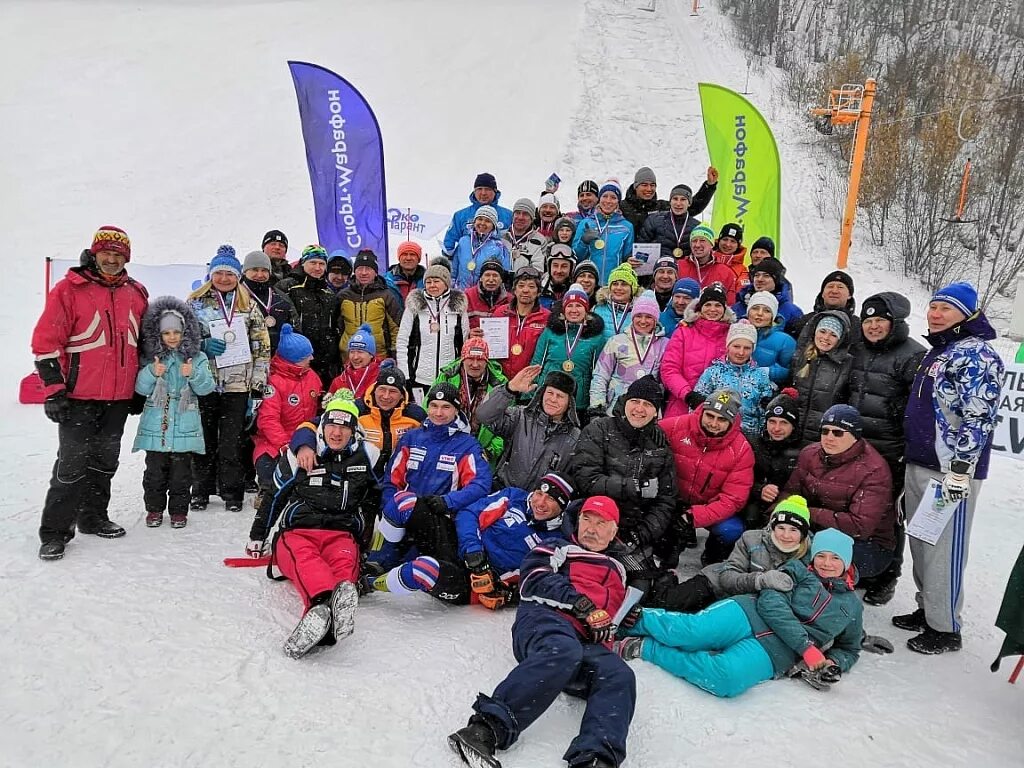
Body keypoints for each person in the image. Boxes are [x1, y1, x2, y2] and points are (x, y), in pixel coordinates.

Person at [448, 496, 634, 768]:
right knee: (563, 650)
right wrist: (582, 606)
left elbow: (617, 613)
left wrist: (626, 618)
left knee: (619, 674)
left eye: (600, 523)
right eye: (586, 520)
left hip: (586, 642)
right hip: (546, 620)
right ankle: (485, 730)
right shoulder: (559, 547)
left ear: (614, 531)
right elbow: (534, 578)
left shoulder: (619, 570)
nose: (591, 529)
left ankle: (595, 758)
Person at [615, 528, 863, 699]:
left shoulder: (852, 606)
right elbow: (770, 602)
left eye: (835, 558)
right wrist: (806, 647)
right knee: (692, 633)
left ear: (847, 562)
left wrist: (834, 662)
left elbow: (849, 648)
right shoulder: (798, 570)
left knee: (726, 680)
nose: (826, 563)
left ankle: (644, 648)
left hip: (776, 652)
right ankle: (627, 620)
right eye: (821, 555)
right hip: (749, 613)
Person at [897, 282, 1003, 654]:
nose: (935, 313)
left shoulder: (976, 355)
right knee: (923, 540)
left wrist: (962, 467)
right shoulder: (941, 350)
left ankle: (946, 627)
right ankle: (928, 608)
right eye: (934, 306)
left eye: (946, 308)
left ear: (967, 314)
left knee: (945, 548)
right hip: (921, 460)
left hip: (950, 471)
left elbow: (979, 416)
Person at [34, 226, 149, 559]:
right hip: (78, 397)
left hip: (118, 396)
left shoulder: (136, 292)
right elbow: (45, 341)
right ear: (94, 254)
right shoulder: (70, 289)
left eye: (118, 255)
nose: (111, 260)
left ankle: (93, 517)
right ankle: (55, 531)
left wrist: (139, 387)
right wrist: (54, 390)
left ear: (126, 258)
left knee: (104, 462)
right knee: (71, 465)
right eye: (106, 254)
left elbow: (143, 344)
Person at [247, 397, 377, 659]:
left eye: (344, 427)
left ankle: (329, 617)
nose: (337, 433)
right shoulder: (301, 453)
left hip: (341, 532)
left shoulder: (368, 455)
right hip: (298, 531)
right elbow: (274, 496)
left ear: (354, 430)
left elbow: (376, 500)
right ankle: (320, 605)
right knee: (308, 562)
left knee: (344, 565)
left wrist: (367, 543)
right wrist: (257, 536)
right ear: (322, 425)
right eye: (331, 426)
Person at [366, 383, 492, 605]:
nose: (438, 413)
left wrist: (448, 501)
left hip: (439, 521)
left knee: (416, 564)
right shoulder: (412, 438)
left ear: (456, 410)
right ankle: (374, 565)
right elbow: (391, 480)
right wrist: (388, 508)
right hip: (404, 519)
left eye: (445, 407)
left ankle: (376, 580)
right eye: (433, 405)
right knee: (396, 518)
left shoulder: (466, 445)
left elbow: (481, 485)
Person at [847, 291, 926, 605]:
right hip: (854, 447)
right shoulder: (857, 349)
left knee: (888, 515)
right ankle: (859, 567)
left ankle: (888, 575)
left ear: (895, 322)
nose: (873, 326)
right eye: (868, 320)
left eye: (880, 320)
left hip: (891, 449)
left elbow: (920, 408)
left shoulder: (913, 354)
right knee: (855, 510)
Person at [187, 246, 271, 513]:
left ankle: (231, 491)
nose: (224, 278)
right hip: (205, 382)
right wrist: (201, 344)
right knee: (203, 438)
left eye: (230, 274)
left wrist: (257, 385)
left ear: (238, 277)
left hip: (238, 384)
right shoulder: (194, 304)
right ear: (211, 274)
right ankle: (200, 490)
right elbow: (179, 342)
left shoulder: (248, 306)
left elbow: (262, 347)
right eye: (219, 273)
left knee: (232, 441)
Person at [573, 376, 677, 583]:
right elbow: (587, 480)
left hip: (633, 530)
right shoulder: (600, 429)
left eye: (647, 404)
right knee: (585, 578)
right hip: (595, 519)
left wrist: (642, 534)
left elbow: (666, 500)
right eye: (635, 401)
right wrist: (633, 486)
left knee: (642, 587)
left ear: (656, 411)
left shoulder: (659, 444)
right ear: (625, 402)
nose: (639, 409)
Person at [784, 404, 896, 584]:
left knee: (813, 562)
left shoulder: (873, 470)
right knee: (775, 543)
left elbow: (859, 527)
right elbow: (790, 492)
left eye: (838, 433)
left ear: (855, 437)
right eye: (825, 431)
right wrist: (781, 515)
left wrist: (806, 512)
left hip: (867, 544)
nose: (829, 438)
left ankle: (826, 604)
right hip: (818, 530)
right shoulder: (809, 454)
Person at [646, 495, 812, 614]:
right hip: (716, 584)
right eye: (781, 528)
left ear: (803, 534)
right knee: (662, 605)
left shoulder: (807, 555)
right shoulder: (752, 538)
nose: (785, 535)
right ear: (772, 527)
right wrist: (759, 580)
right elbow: (728, 577)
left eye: (794, 530)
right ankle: (666, 579)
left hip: (747, 606)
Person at [133, 297, 215, 529]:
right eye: (166, 333)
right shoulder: (152, 359)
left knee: (181, 476)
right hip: (155, 427)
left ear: (185, 332)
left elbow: (206, 387)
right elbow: (140, 388)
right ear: (158, 334)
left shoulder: (196, 358)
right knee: (154, 475)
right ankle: (154, 509)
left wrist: (192, 374)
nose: (172, 337)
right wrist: (151, 371)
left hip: (184, 425)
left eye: (176, 332)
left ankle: (179, 511)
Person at [449, 472, 575, 610]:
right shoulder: (514, 497)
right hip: (458, 547)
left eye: (550, 498)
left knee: (426, 569)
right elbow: (469, 513)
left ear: (563, 507)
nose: (540, 503)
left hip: (476, 583)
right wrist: (473, 550)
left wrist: (510, 594)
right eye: (539, 493)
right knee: (424, 509)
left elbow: (543, 581)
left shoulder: (558, 540)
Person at [658, 390, 755, 567]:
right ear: (702, 411)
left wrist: (694, 516)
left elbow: (732, 500)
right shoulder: (676, 426)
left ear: (731, 422)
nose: (713, 423)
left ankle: (712, 557)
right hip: (671, 499)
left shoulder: (741, 450)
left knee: (729, 529)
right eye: (710, 416)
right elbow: (648, 435)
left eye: (722, 419)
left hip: (707, 505)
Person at [476, 366, 580, 492]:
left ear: (570, 403)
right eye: (550, 393)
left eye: (560, 396)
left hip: (540, 505)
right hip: (504, 493)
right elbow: (484, 415)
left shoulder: (575, 438)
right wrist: (509, 389)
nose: (553, 399)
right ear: (542, 394)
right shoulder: (520, 417)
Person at [252, 324, 322, 503]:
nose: (312, 358)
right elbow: (268, 420)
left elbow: (320, 408)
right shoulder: (273, 382)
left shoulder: (312, 376)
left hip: (307, 437)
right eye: (307, 356)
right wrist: (285, 444)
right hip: (275, 442)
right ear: (293, 360)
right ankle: (267, 490)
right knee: (267, 462)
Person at [530, 284, 606, 422]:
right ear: (564, 309)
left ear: (586, 309)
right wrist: (530, 394)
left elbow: (598, 373)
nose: (574, 310)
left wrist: (593, 403)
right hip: (548, 396)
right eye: (570, 306)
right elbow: (537, 362)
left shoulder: (596, 337)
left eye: (579, 306)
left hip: (578, 400)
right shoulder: (551, 331)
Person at [396, 259, 470, 402]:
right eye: (428, 282)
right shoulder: (415, 306)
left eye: (437, 281)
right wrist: (405, 374)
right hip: (420, 377)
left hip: (450, 377)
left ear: (446, 283)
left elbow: (464, 342)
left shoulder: (458, 306)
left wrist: (461, 374)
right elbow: (402, 341)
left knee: (445, 414)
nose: (432, 285)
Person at [662, 282, 736, 417]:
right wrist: (687, 394)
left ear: (724, 309)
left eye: (718, 305)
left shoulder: (731, 335)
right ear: (700, 308)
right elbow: (669, 368)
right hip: (682, 403)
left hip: (718, 409)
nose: (712, 309)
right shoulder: (684, 331)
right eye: (708, 305)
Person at [590, 290, 669, 416]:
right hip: (616, 409)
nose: (643, 321)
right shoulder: (617, 341)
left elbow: (668, 378)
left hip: (646, 411)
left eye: (649, 317)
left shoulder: (665, 345)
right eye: (638, 316)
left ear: (656, 320)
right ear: (632, 317)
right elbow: (601, 375)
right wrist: (597, 405)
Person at [691, 320, 776, 435]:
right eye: (736, 346)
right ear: (728, 346)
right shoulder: (713, 373)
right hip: (717, 432)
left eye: (747, 348)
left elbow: (765, 412)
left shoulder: (760, 375)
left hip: (749, 435)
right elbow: (697, 407)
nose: (741, 352)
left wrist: (761, 436)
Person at [435, 338, 508, 464]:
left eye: (480, 359)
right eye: (470, 359)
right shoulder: (447, 377)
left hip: (483, 455)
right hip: (447, 449)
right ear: (463, 359)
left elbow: (508, 426)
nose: (475, 364)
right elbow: (429, 409)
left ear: (487, 361)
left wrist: (490, 451)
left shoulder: (500, 385)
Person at [280, 245, 340, 385]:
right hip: (297, 357)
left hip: (324, 360)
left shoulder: (328, 293)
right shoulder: (288, 287)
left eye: (322, 264)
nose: (317, 268)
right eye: (313, 263)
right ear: (303, 263)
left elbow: (334, 326)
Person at [790, 312, 853, 445]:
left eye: (833, 335)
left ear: (840, 339)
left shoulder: (846, 364)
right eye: (823, 331)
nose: (826, 337)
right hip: (794, 431)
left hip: (824, 435)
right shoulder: (801, 357)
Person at [743, 392, 802, 529]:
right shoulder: (753, 444)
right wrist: (759, 489)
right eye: (772, 421)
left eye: (784, 423)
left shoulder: (803, 451)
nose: (776, 428)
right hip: (753, 503)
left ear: (793, 425)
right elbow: (737, 479)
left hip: (786, 506)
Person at [338, 249, 403, 361]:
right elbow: (336, 326)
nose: (363, 273)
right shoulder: (343, 296)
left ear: (376, 272)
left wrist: (394, 354)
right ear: (355, 271)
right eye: (359, 269)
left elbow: (395, 328)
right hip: (349, 357)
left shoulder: (386, 295)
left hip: (378, 357)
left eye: (368, 269)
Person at [572, 180, 635, 284]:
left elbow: (627, 258)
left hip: (614, 285)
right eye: (605, 196)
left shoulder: (627, 227)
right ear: (599, 199)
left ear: (618, 201)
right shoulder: (586, 223)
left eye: (613, 197)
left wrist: (630, 260)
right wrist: (583, 242)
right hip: (588, 283)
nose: (608, 201)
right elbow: (575, 256)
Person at [621, 165, 717, 233]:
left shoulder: (662, 207)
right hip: (628, 258)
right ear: (635, 186)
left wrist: (709, 186)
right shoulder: (621, 207)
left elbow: (691, 207)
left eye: (652, 185)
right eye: (644, 185)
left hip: (657, 257)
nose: (649, 189)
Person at [494, 266, 550, 379]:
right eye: (521, 286)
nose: (525, 290)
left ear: (539, 292)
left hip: (531, 381)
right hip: (500, 380)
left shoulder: (547, 317)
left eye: (531, 286)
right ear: (514, 290)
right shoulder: (500, 312)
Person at [442, 172, 514, 257]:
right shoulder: (460, 216)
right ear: (474, 191)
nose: (483, 193)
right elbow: (449, 245)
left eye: (487, 189)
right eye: (479, 189)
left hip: (496, 267)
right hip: (466, 267)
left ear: (495, 192)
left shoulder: (508, 216)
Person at [241, 250, 296, 354]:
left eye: (264, 270)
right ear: (245, 271)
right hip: (248, 358)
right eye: (254, 270)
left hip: (278, 358)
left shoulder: (280, 297)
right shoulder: (237, 296)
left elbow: (295, 325)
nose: (260, 274)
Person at [450, 206, 512, 290]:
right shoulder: (463, 241)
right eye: (480, 219)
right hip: (461, 293)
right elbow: (454, 270)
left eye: (487, 221)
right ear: (474, 221)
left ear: (493, 225)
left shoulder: (499, 247)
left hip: (484, 296)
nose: (482, 223)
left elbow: (504, 275)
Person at [787, 269, 858, 342]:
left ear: (849, 295)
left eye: (840, 287)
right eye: (830, 286)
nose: (834, 291)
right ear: (822, 294)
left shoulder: (857, 326)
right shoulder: (806, 321)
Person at [741, 290, 796, 385]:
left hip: (767, 393)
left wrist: (768, 372)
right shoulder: (735, 332)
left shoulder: (785, 341)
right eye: (755, 308)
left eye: (767, 310)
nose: (760, 313)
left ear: (773, 316)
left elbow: (792, 372)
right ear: (748, 312)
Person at [733, 256, 803, 330]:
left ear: (776, 280)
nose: (759, 279)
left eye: (766, 276)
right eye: (757, 275)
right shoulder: (738, 307)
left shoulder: (791, 311)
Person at [638, 183, 705, 259]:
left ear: (689, 203)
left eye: (683, 199)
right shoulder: (654, 220)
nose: (678, 203)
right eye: (675, 199)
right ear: (670, 201)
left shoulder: (697, 226)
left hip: (686, 269)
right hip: (661, 269)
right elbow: (640, 248)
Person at [677, 225, 740, 303]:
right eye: (694, 241)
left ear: (711, 245)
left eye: (702, 240)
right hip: (682, 313)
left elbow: (730, 304)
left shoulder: (726, 272)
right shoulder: (679, 266)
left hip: (712, 313)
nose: (697, 245)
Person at [326, 324, 381, 403]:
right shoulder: (340, 381)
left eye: (360, 352)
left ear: (371, 355)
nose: (355, 357)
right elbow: (329, 408)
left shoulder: (380, 378)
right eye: (352, 352)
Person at [593, 262, 640, 341]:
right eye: (615, 284)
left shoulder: (639, 311)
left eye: (624, 284)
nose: (618, 288)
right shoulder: (597, 309)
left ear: (632, 289)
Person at [464, 259, 511, 329]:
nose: (491, 279)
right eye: (487, 275)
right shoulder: (467, 296)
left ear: (501, 280)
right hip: (474, 339)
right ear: (480, 278)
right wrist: (469, 333)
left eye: (495, 275)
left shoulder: (511, 300)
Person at [505, 197, 548, 273]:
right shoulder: (501, 237)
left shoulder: (540, 240)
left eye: (525, 214)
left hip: (525, 283)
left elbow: (538, 270)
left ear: (532, 219)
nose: (520, 217)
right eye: (517, 213)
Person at [385, 241, 425, 306]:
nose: (408, 258)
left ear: (418, 259)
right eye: (404, 254)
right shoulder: (386, 281)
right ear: (399, 258)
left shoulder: (428, 280)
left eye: (412, 254)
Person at [539, 243, 575, 309]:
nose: (559, 271)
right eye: (555, 265)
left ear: (571, 269)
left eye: (564, 266)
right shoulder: (538, 289)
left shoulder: (576, 291)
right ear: (549, 267)